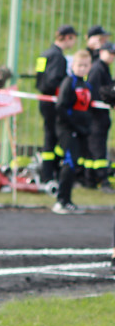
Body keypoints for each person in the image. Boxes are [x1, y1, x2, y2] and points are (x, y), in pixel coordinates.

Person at [36, 24, 77, 190]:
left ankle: (47, 173)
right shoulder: (58, 57)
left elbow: (39, 79)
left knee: (49, 136)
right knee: (53, 137)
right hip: (53, 101)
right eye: (73, 38)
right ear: (67, 37)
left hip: (44, 100)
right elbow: (53, 81)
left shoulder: (45, 53)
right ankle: (49, 174)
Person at [52, 50, 93, 214]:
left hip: (81, 130)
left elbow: (88, 108)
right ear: (73, 66)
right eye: (79, 65)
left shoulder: (86, 85)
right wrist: (73, 126)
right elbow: (61, 107)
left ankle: (68, 200)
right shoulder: (69, 82)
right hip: (67, 129)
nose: (82, 68)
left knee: (75, 163)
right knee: (69, 162)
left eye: (85, 66)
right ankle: (61, 200)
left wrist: (85, 127)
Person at [86, 42, 115, 192]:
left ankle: (90, 179)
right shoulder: (98, 68)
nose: (112, 57)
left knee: (95, 148)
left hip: (101, 115)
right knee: (98, 149)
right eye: (110, 53)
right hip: (96, 115)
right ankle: (102, 180)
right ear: (102, 52)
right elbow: (95, 92)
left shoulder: (104, 68)